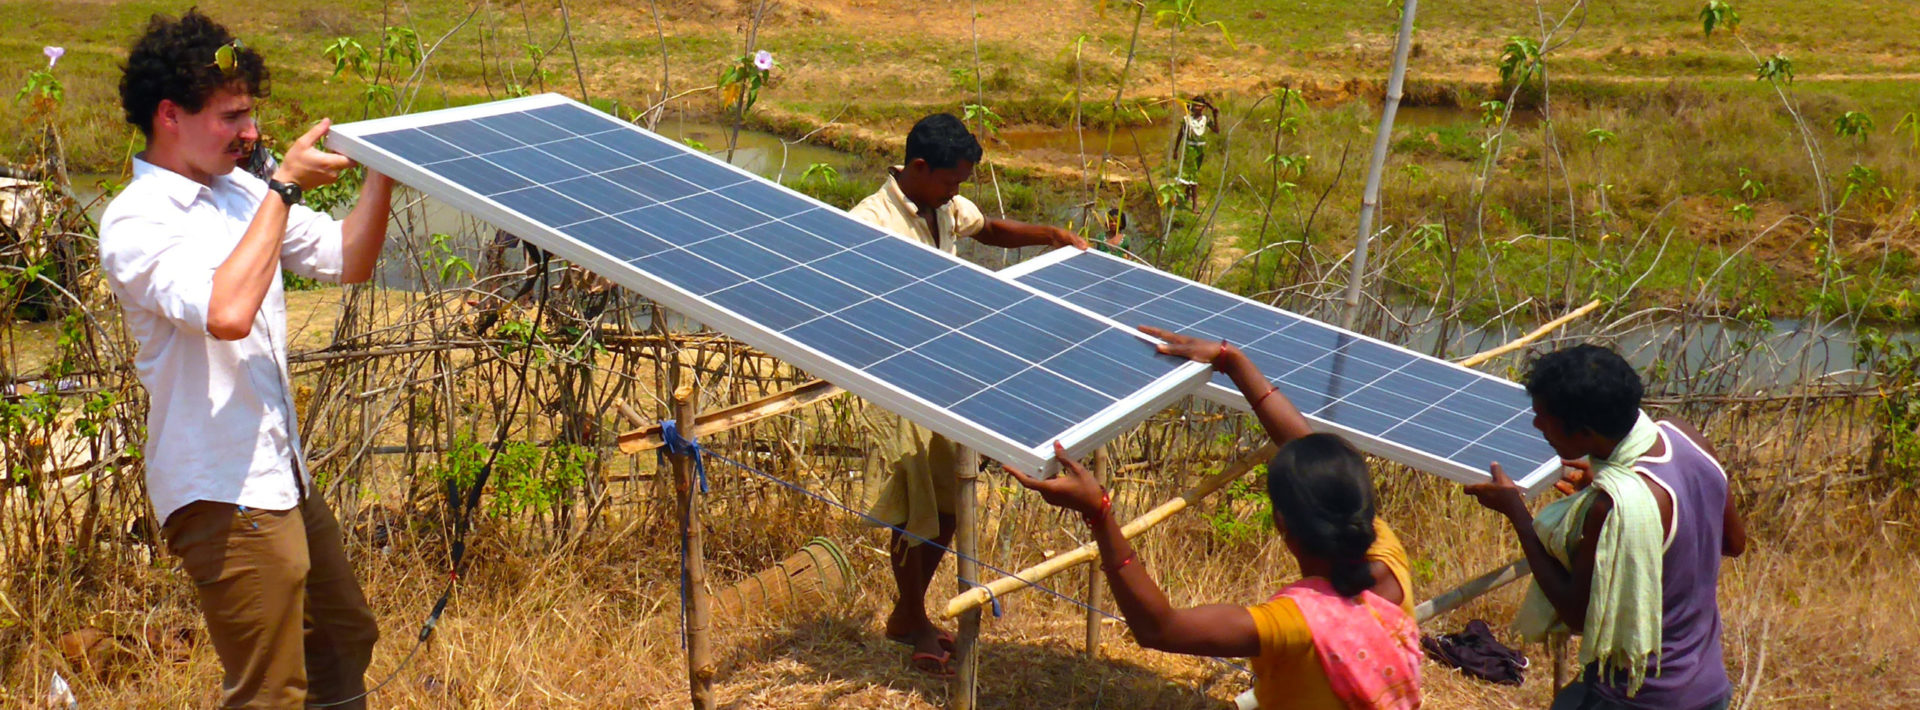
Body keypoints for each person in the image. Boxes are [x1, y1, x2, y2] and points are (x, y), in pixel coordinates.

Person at [99, 10, 396, 708]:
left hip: (279, 473)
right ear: (171, 115)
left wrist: (385, 172)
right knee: (269, 689)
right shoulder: (138, 220)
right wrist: (284, 187)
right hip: (220, 490)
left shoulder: (239, 194)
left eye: (251, 115)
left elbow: (347, 258)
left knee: (345, 639)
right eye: (232, 116)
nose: (251, 132)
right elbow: (227, 312)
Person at [1010, 327, 1422, 709]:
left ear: (1282, 525)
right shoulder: (1389, 565)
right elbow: (1311, 455)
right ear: (1362, 505)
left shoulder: (1295, 625)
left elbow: (1159, 629)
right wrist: (1232, 361)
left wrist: (1099, 514)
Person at [845, 112, 1088, 677]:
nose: (958, 195)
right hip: (900, 384)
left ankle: (909, 617)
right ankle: (910, 620)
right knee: (917, 512)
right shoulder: (869, 225)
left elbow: (989, 229)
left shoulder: (945, 208)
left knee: (950, 507)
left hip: (948, 375)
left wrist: (1051, 236)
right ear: (920, 168)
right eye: (952, 182)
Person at [1463, 345, 1748, 710]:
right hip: (1707, 687)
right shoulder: (1684, 437)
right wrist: (1603, 476)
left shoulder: (1615, 506)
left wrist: (1517, 513)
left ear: (1584, 432)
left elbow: (1578, 615)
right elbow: (1734, 542)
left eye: (1544, 418)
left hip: (1636, 695)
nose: (1537, 426)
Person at [1172, 95, 1218, 211]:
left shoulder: (1206, 119)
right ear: (1192, 106)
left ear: (1203, 108)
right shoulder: (1187, 120)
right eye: (1196, 105)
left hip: (1200, 151)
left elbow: (1216, 131)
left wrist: (1215, 116)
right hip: (1190, 150)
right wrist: (1176, 150)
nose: (1198, 108)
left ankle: (1187, 194)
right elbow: (1180, 135)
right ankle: (1195, 205)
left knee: (1193, 173)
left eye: (1200, 106)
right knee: (1194, 176)